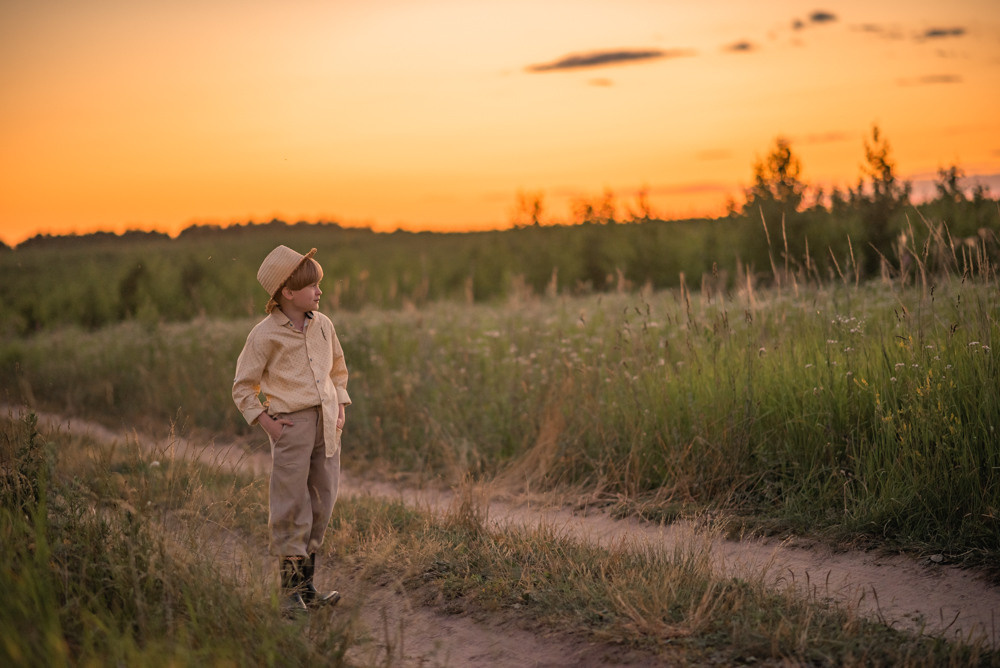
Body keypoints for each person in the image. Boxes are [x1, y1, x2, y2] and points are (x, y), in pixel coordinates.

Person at [232, 245, 350, 615]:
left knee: (322, 500)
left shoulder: (323, 324)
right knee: (291, 505)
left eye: (318, 284)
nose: (319, 291)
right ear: (287, 292)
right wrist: (267, 422)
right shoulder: (264, 335)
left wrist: (340, 405)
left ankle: (307, 586)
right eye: (312, 285)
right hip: (292, 426)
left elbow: (337, 369)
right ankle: (288, 592)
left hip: (327, 425)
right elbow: (242, 386)